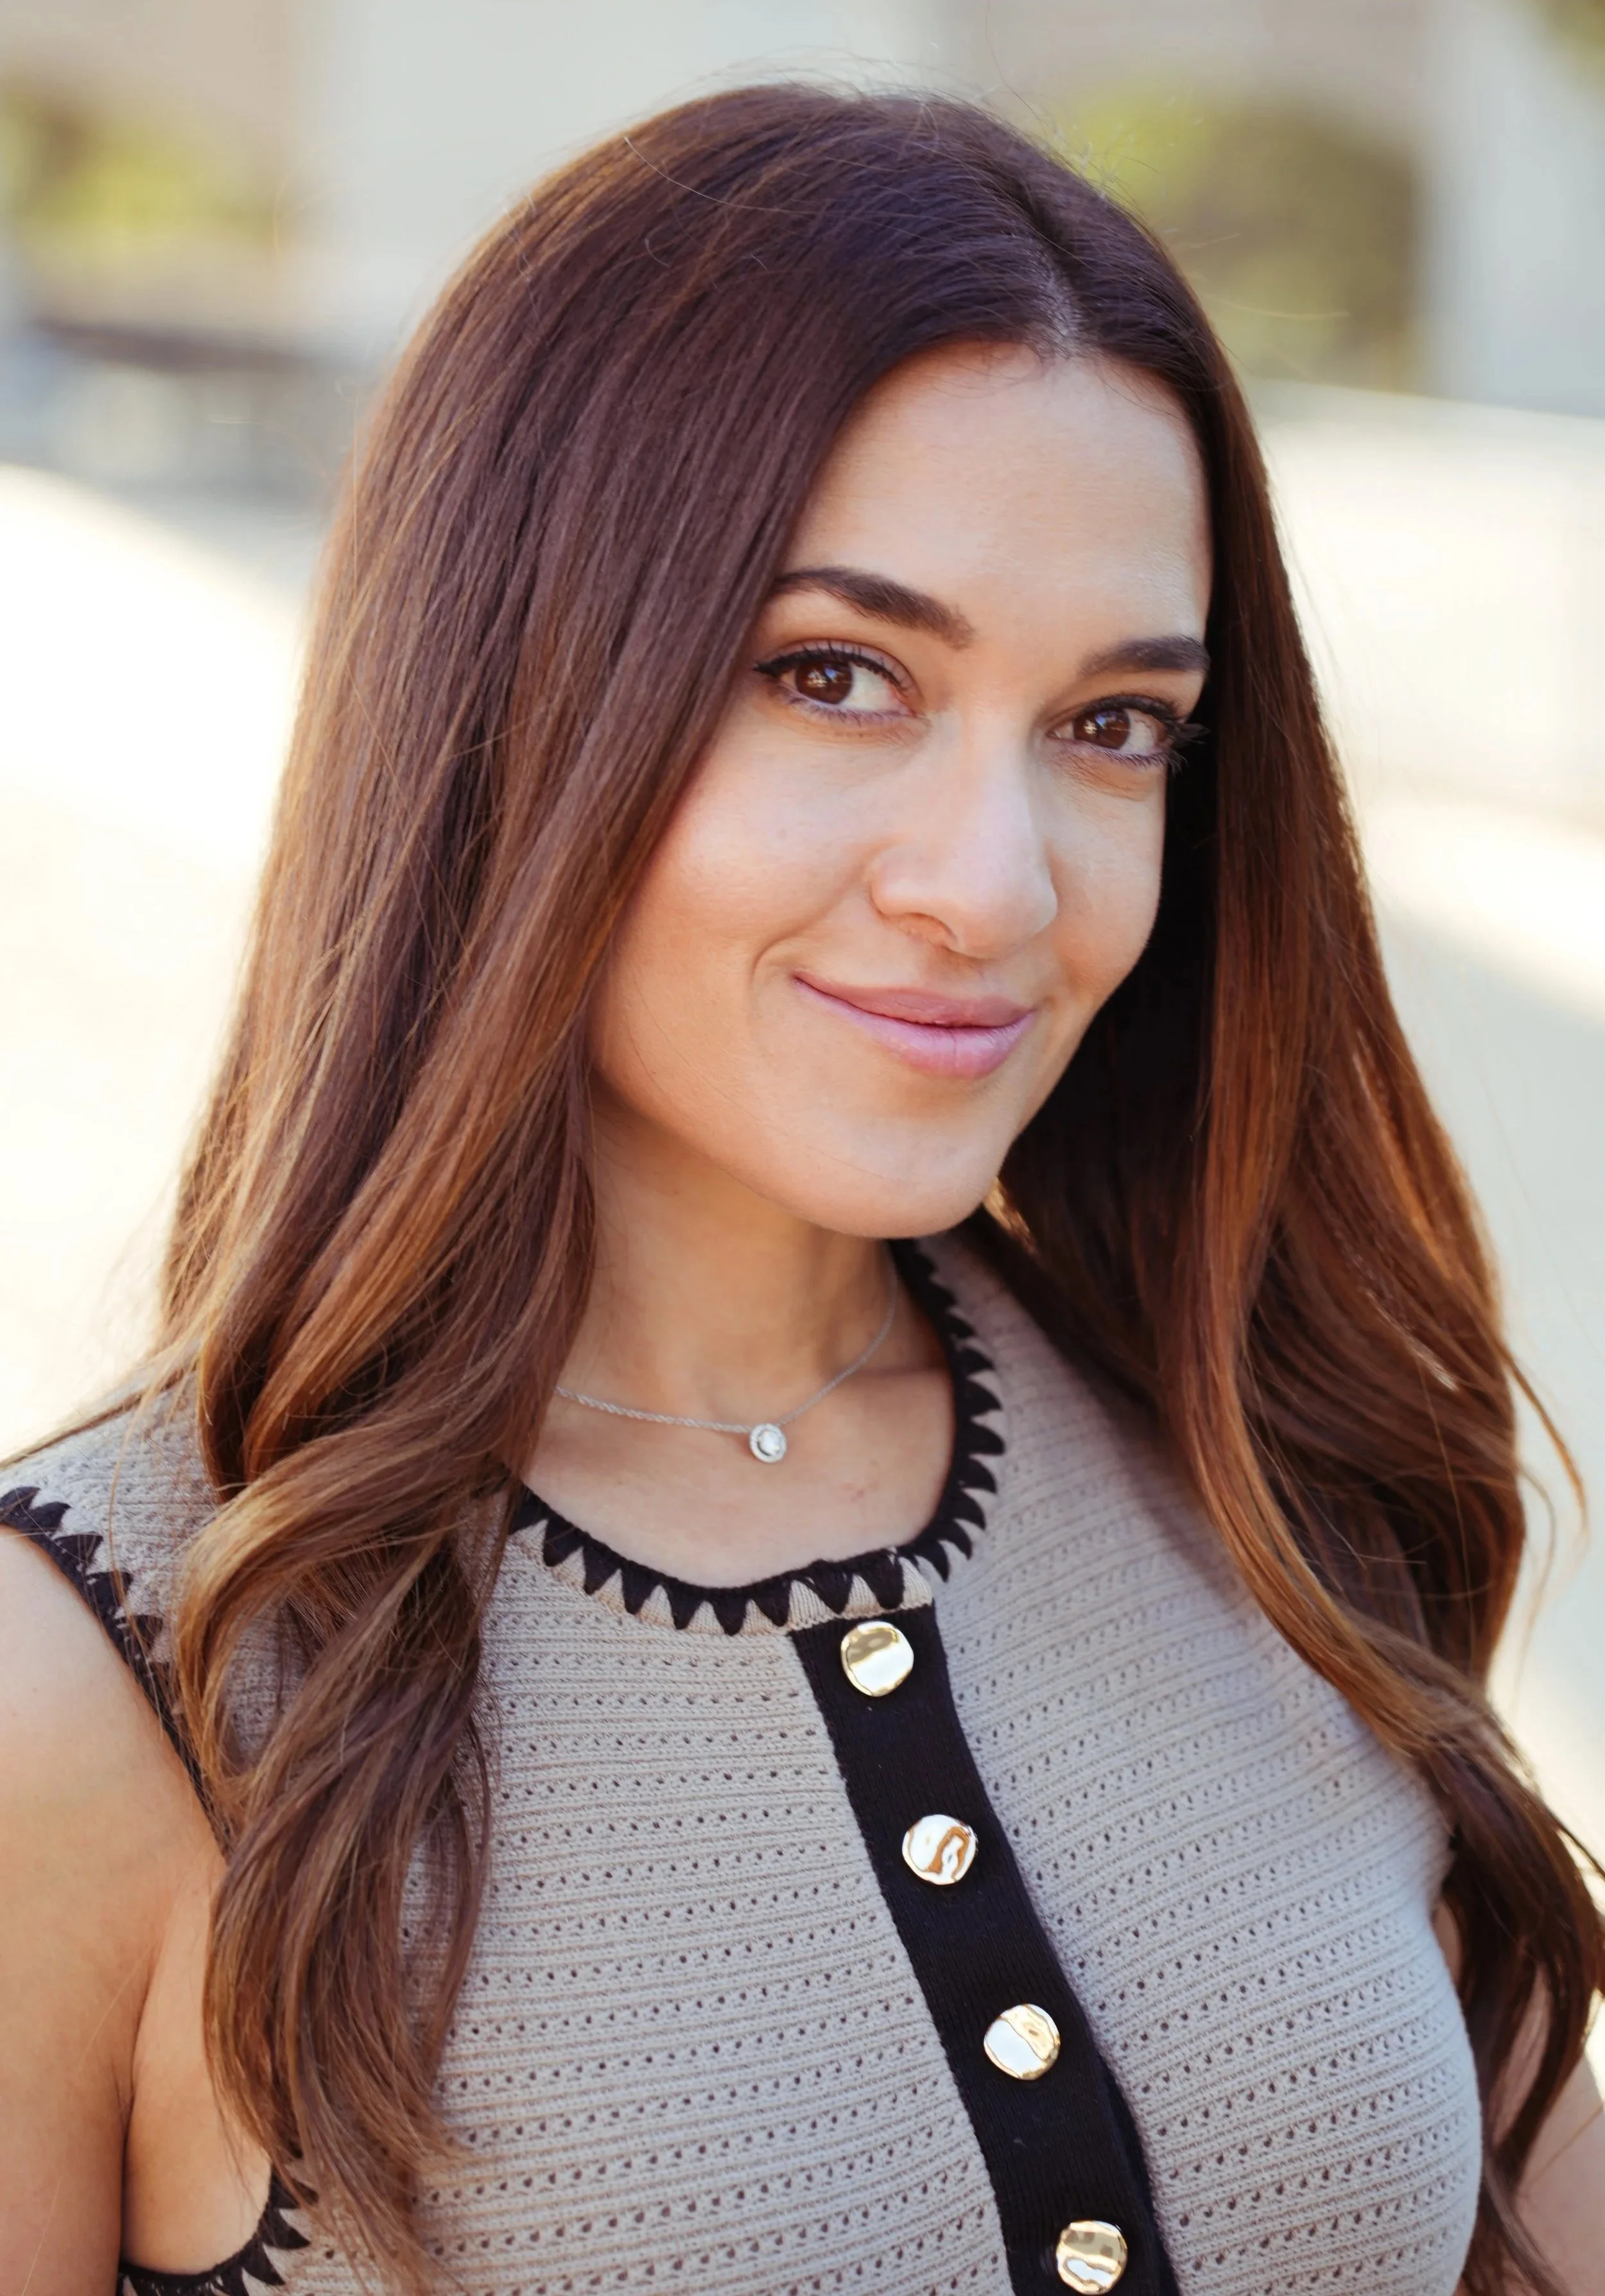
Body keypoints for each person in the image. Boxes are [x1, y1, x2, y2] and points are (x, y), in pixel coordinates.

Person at [1, 83, 1600, 2296]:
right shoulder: (96, 1694)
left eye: (1112, 724)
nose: (995, 887)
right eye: (833, 677)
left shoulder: (1260, 1471)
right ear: (513, 696)